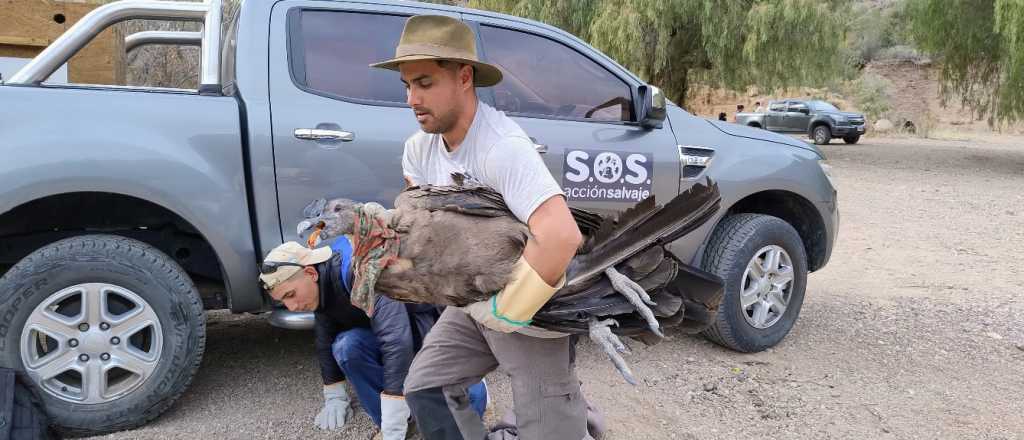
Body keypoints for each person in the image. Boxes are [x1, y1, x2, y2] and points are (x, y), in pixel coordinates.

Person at [369, 15, 592, 439]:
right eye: (407, 85)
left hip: (527, 305)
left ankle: (574, 420)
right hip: (471, 299)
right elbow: (425, 229)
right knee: (426, 388)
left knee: (550, 426)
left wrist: (506, 312)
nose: (412, 99)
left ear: (464, 77)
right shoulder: (419, 150)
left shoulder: (503, 148)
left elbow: (561, 236)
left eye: (425, 83)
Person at [259, 240, 487, 439]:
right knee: (347, 347)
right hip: (392, 330)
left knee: (463, 413)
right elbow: (325, 336)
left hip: (426, 324)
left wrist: (393, 417)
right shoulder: (320, 282)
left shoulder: (360, 270)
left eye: (291, 295)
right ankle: (400, 423)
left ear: (311, 273)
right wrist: (334, 394)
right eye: (283, 302)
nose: (292, 307)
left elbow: (396, 341)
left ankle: (463, 393)